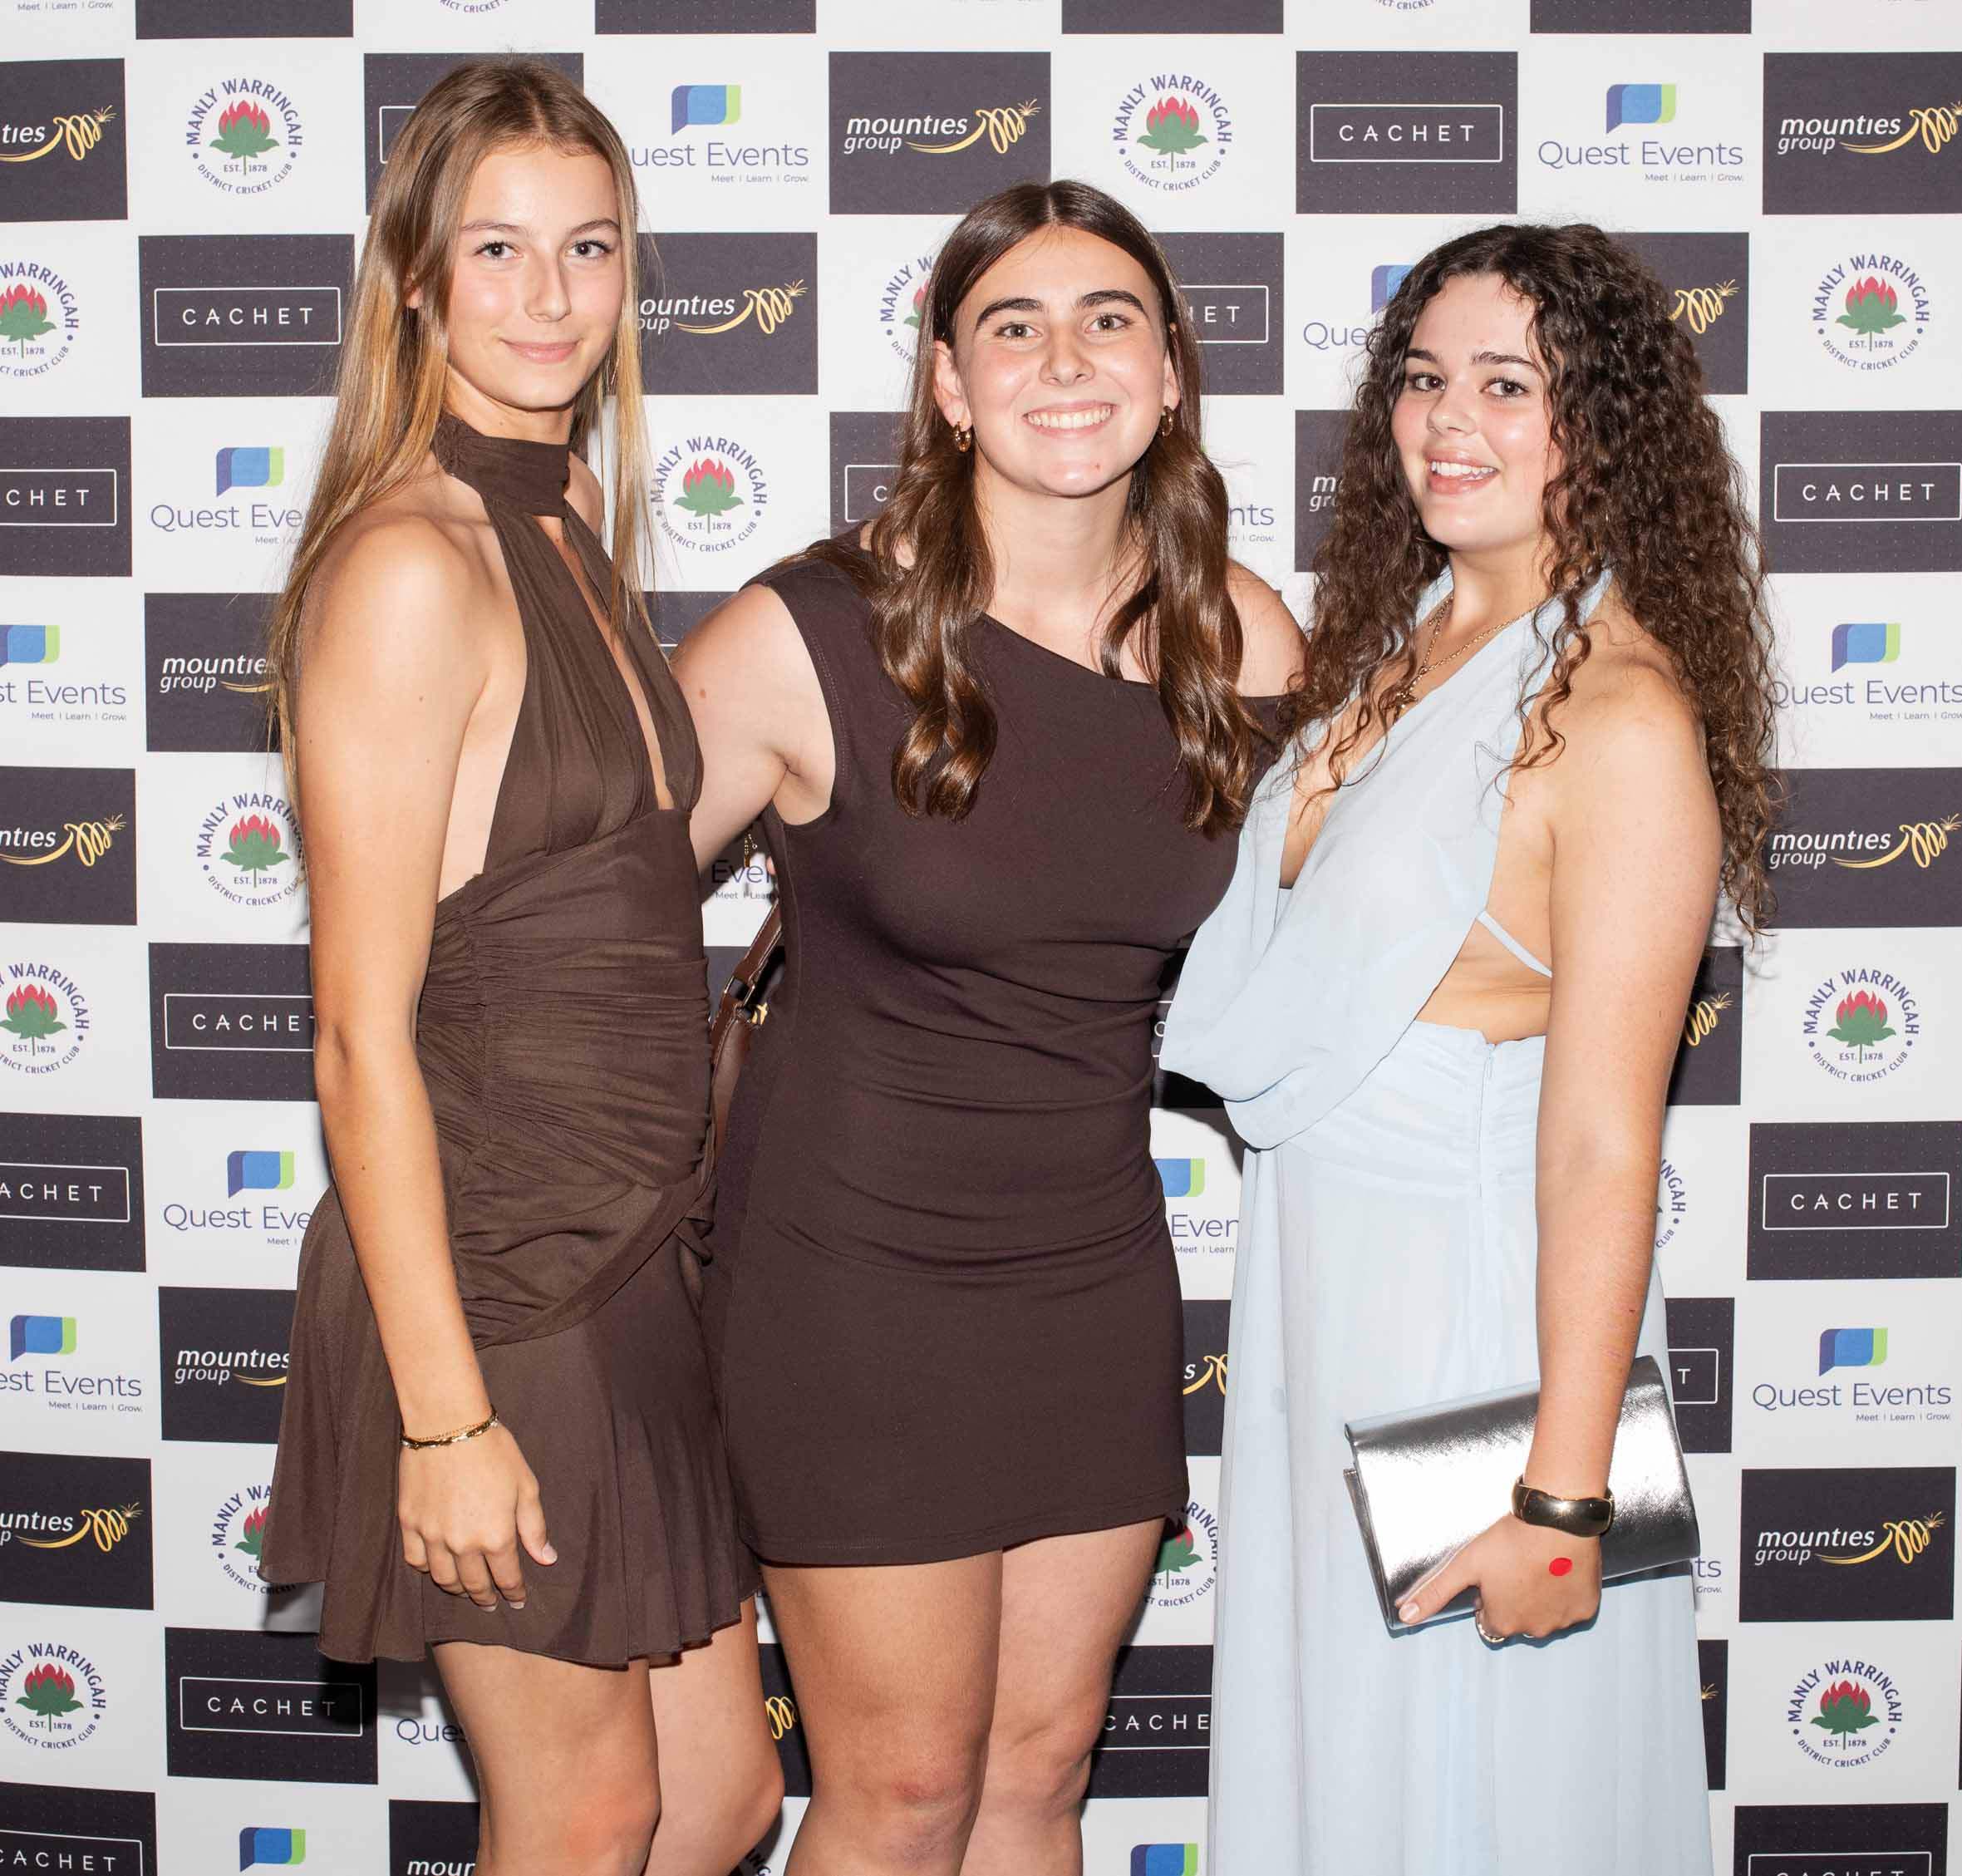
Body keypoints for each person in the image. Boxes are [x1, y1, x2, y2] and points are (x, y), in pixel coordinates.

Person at [672, 179, 1301, 1875]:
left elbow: (1329, 955)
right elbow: (576, 919)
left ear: (1170, 368)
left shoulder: (1240, 639)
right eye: (1011, 328)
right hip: (849, 1275)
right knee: (901, 1790)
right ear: (948, 383)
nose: (1065, 362)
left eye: (1109, 321)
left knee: (1037, 1770)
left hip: (1091, 1265)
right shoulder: (810, 632)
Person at [1161, 222, 1776, 1875]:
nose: (1450, 419)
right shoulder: (1400, 643)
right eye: (1426, 377)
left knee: (1474, 1795)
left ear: (1603, 425)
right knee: (1349, 1778)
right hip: (1326, 1315)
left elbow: (1600, 1142)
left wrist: (1563, 1500)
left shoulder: (1620, 716)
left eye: (1510, 385)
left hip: (1477, 1348)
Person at [258, 58, 779, 1876]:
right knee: (587, 1809)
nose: (551, 296)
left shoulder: (562, 527)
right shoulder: (410, 564)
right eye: (497, 249)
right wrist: (445, 1414)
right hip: (495, 1283)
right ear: (416, 278)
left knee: (720, 1798)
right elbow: (355, 1034)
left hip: (632, 1256)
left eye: (590, 247)